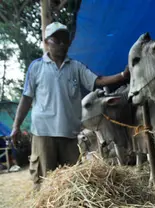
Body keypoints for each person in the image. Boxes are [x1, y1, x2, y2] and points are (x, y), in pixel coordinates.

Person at [10, 22, 130, 190]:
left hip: (69, 133)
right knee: (45, 182)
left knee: (72, 184)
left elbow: (98, 81)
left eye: (65, 40)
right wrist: (16, 126)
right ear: (46, 42)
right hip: (44, 133)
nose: (61, 44)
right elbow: (26, 98)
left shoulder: (76, 67)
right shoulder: (36, 67)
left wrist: (123, 75)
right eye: (56, 40)